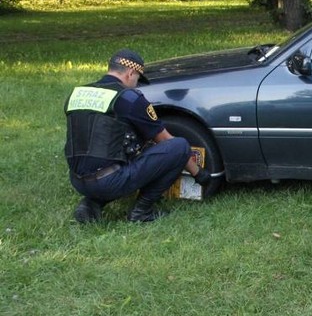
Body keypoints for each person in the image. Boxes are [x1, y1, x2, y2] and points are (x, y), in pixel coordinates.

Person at [64, 49, 212, 223]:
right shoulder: (128, 98)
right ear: (130, 73)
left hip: (77, 180)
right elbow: (165, 140)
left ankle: (90, 203)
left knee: (124, 150)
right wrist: (199, 173)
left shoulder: (77, 93)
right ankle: (141, 211)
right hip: (108, 181)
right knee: (179, 147)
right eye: (137, 79)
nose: (136, 85)